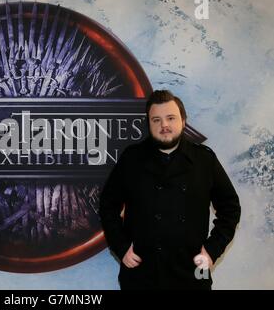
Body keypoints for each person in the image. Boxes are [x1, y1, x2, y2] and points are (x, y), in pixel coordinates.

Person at [99, 90, 241, 290]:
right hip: (141, 274)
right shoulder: (132, 159)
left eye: (170, 118)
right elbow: (107, 205)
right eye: (156, 120)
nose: (164, 125)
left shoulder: (204, 160)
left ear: (183, 121)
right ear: (148, 124)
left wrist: (212, 250)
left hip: (191, 272)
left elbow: (230, 207)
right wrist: (121, 248)